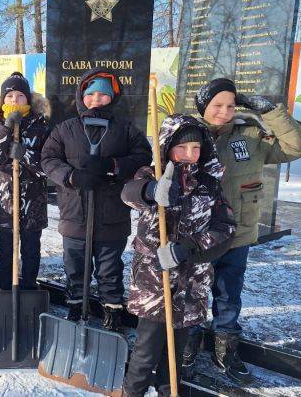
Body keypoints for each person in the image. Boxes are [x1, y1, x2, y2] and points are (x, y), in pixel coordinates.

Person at [182, 78, 301, 383]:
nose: (225, 112)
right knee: (191, 295)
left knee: (228, 296)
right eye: (217, 105)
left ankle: (224, 350)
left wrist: (271, 113)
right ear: (204, 107)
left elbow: (297, 146)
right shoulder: (188, 135)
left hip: (237, 236)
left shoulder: (252, 136)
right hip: (197, 237)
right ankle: (187, 347)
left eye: (230, 105)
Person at [120, 115, 235, 396]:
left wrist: (188, 249)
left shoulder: (209, 184)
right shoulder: (151, 175)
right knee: (144, 356)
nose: (189, 155)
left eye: (196, 148)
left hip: (191, 284)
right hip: (154, 284)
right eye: (182, 148)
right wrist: (150, 190)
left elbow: (226, 229)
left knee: (173, 358)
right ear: (166, 147)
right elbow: (128, 193)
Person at [41, 68, 152, 331]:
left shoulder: (125, 129)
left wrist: (112, 165)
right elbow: (48, 159)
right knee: (75, 267)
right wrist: (72, 177)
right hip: (75, 213)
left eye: (103, 95)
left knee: (109, 269)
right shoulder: (65, 129)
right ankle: (76, 307)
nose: (97, 100)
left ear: (112, 98)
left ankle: (112, 311)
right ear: (82, 96)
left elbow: (143, 157)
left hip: (111, 214)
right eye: (91, 95)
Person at [0, 72, 51, 290]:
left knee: (31, 250)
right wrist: (6, 128)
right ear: (3, 99)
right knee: (6, 250)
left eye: (20, 95)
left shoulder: (40, 125)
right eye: (10, 95)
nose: (14, 100)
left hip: (34, 204)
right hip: (5, 202)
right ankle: (6, 288)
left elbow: (48, 168)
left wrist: (26, 155)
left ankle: (30, 287)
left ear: (28, 99)